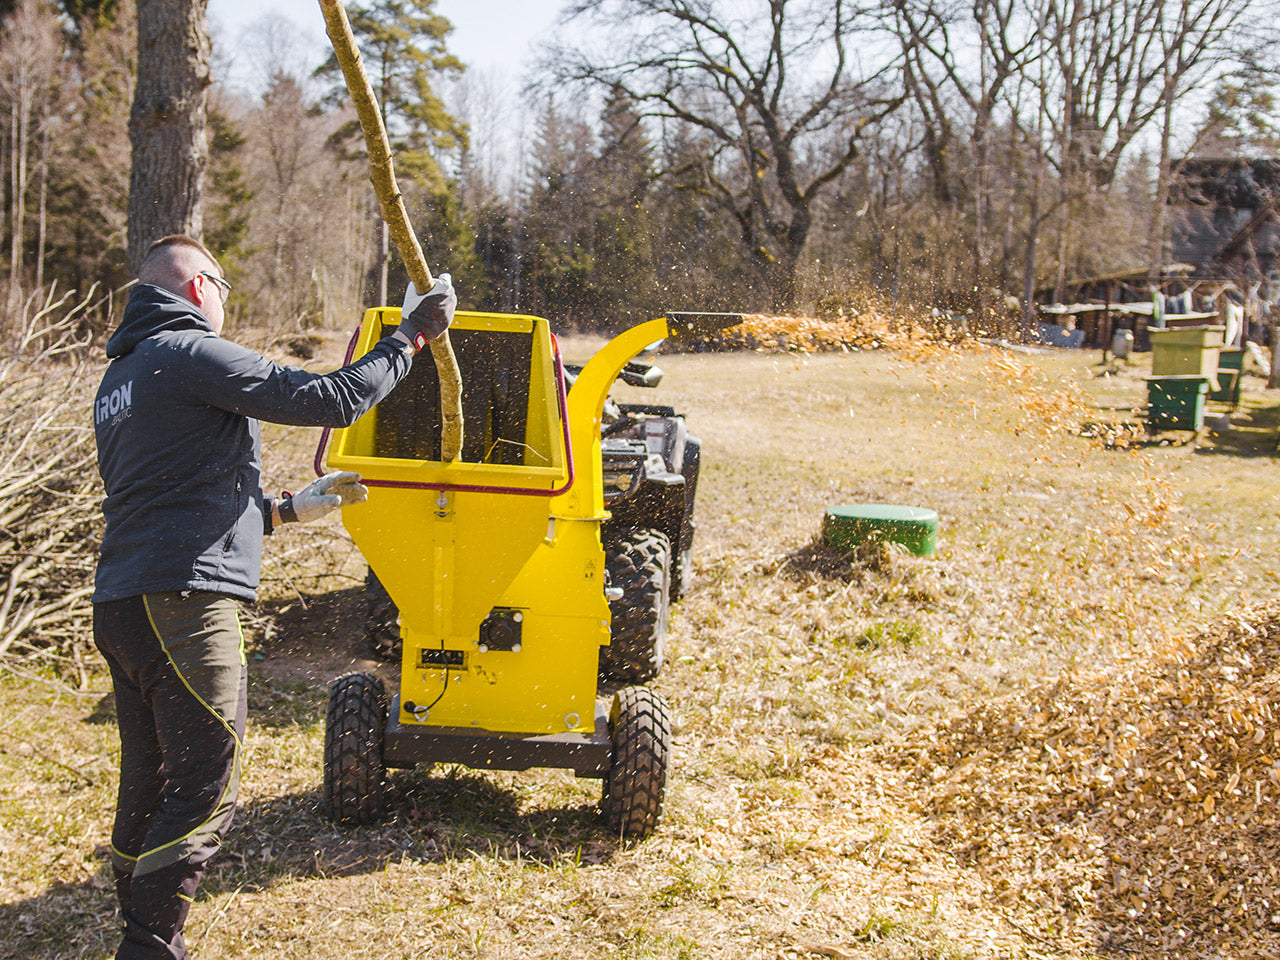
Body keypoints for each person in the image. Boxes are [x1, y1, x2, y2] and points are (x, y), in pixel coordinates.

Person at [91, 234, 455, 960]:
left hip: (124, 601)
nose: (227, 298)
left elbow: (177, 497)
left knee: (154, 773)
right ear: (198, 286)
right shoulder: (191, 352)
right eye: (223, 284)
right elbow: (331, 398)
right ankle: (149, 945)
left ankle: (136, 924)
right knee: (204, 779)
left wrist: (290, 508)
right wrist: (412, 334)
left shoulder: (121, 380)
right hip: (184, 604)